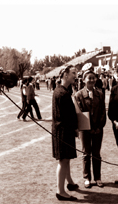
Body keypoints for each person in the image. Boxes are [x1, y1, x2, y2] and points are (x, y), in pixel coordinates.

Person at [74, 69, 106, 189]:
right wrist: (88, 128)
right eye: (89, 78)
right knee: (86, 153)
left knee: (97, 153)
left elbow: (103, 112)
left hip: (98, 129)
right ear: (83, 80)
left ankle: (98, 177)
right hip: (85, 130)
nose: (91, 80)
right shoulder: (78, 95)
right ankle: (87, 178)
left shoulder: (100, 94)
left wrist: (99, 127)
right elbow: (80, 114)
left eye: (93, 78)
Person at [52, 65, 79, 201]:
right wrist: (76, 128)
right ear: (65, 75)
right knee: (63, 161)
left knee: (66, 159)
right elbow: (68, 116)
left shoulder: (62, 90)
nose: (76, 75)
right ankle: (60, 191)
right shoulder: (62, 93)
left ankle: (70, 182)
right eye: (73, 73)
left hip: (63, 130)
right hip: (63, 131)